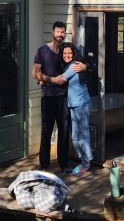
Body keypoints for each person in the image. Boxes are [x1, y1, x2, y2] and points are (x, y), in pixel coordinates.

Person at [32, 21, 85, 172]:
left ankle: (63, 164)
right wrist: (52, 79)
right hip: (48, 97)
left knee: (64, 131)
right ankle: (44, 165)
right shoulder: (42, 51)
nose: (60, 35)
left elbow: (81, 63)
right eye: (58, 32)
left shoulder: (65, 52)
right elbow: (35, 73)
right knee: (46, 132)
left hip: (64, 97)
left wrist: (84, 66)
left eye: (62, 32)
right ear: (52, 32)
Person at [49, 43, 93, 174]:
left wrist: (44, 79)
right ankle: (84, 160)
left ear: (73, 54)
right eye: (64, 54)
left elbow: (62, 80)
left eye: (69, 53)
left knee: (83, 134)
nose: (67, 55)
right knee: (74, 136)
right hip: (73, 104)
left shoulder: (75, 65)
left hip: (82, 103)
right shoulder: (69, 66)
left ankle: (86, 163)